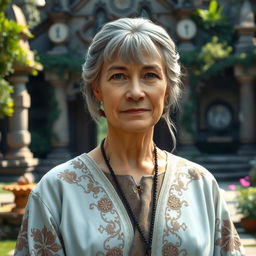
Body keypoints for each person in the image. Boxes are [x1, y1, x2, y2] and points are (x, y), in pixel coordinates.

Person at [14, 17, 245, 256]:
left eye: (150, 75)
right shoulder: (57, 191)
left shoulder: (201, 185)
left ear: (166, 89)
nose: (135, 92)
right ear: (97, 89)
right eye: (118, 76)